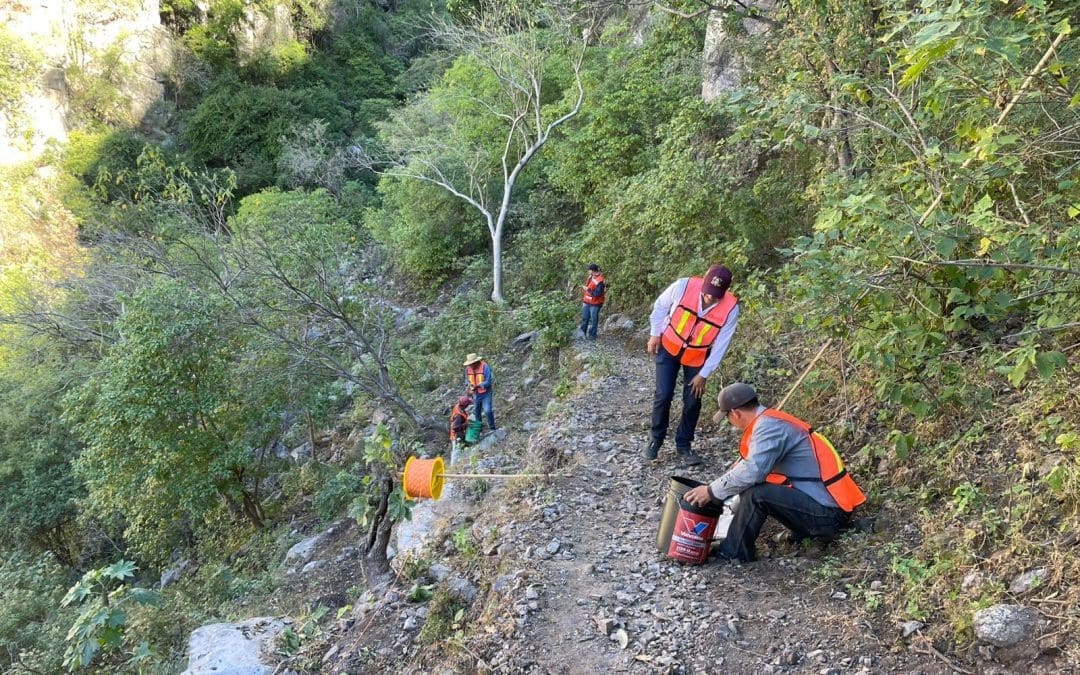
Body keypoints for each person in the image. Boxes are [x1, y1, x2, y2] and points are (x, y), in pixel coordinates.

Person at [684, 382, 867, 562]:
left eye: (727, 417)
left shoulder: (769, 427)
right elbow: (750, 468)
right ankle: (738, 544)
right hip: (825, 507)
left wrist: (710, 491)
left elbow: (753, 472)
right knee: (753, 487)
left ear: (735, 413)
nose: (730, 422)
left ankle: (734, 551)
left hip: (828, 514)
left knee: (757, 493)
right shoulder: (771, 421)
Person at [645, 264, 739, 465]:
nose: (709, 298)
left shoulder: (731, 309)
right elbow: (660, 306)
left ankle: (684, 445)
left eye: (716, 296)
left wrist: (704, 374)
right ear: (703, 282)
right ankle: (656, 439)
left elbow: (722, 345)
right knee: (663, 394)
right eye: (707, 293)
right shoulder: (683, 286)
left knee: (693, 400)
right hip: (669, 346)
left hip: (697, 356)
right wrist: (655, 334)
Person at [463, 353, 496, 431]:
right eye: (469, 364)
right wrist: (468, 384)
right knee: (477, 411)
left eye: (471, 364)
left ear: (476, 362)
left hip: (486, 393)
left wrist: (478, 385)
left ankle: (492, 429)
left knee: (488, 410)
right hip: (475, 393)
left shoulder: (485, 367)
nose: (470, 366)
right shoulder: (468, 369)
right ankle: (479, 428)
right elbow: (466, 380)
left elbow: (489, 381)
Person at [580, 263, 606, 339]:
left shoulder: (600, 280)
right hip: (587, 301)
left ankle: (592, 335)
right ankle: (582, 334)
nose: (588, 271)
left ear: (592, 270)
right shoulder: (591, 277)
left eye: (589, 270)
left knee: (594, 320)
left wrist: (587, 289)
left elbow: (597, 293)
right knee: (585, 318)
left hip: (595, 303)